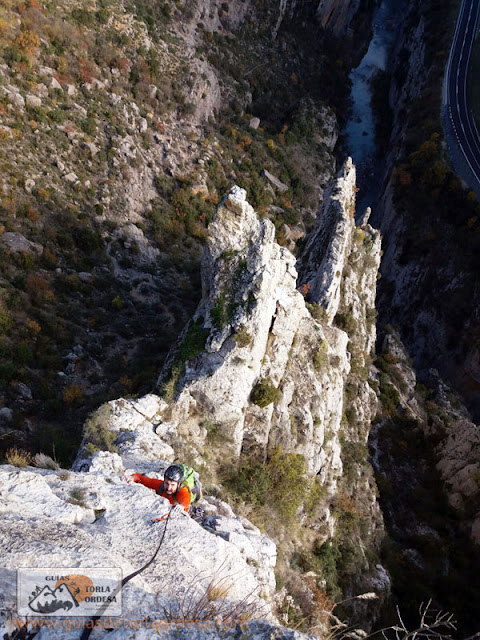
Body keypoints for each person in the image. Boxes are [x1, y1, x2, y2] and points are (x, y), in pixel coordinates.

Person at [126, 464, 202, 519]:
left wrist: (182, 506)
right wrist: (133, 477)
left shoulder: (183, 490)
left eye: (172, 485)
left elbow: (185, 498)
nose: (168, 488)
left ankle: (194, 512)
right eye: (167, 483)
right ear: (164, 480)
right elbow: (146, 480)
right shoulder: (161, 485)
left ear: (179, 484)